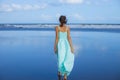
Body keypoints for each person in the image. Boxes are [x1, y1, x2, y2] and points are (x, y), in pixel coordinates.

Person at [54, 15, 74, 80]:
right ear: (65, 20)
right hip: (66, 44)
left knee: (61, 59)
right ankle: (64, 75)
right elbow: (69, 38)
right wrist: (72, 47)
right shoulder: (67, 28)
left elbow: (57, 38)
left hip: (60, 45)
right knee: (66, 59)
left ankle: (60, 72)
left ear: (59, 20)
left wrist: (55, 47)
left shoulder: (57, 27)